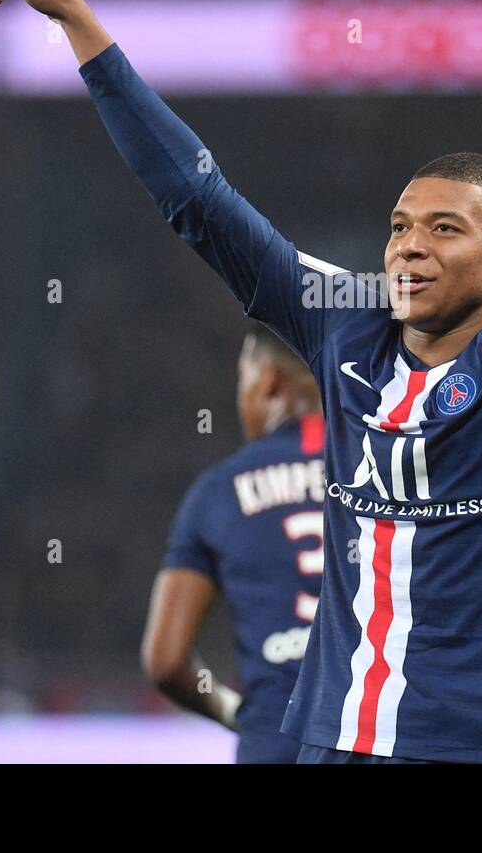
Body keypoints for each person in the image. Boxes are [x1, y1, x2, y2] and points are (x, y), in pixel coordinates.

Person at [0, 0, 482, 762]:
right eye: (400, 226)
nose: (408, 244)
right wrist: (76, 18)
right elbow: (200, 201)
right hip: (335, 745)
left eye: (445, 229)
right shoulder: (346, 327)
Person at [141, 325, 325, 764]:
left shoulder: (218, 492)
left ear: (268, 382)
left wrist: (234, 712)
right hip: (380, 743)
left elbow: (165, 662)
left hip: (274, 742)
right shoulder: (390, 469)